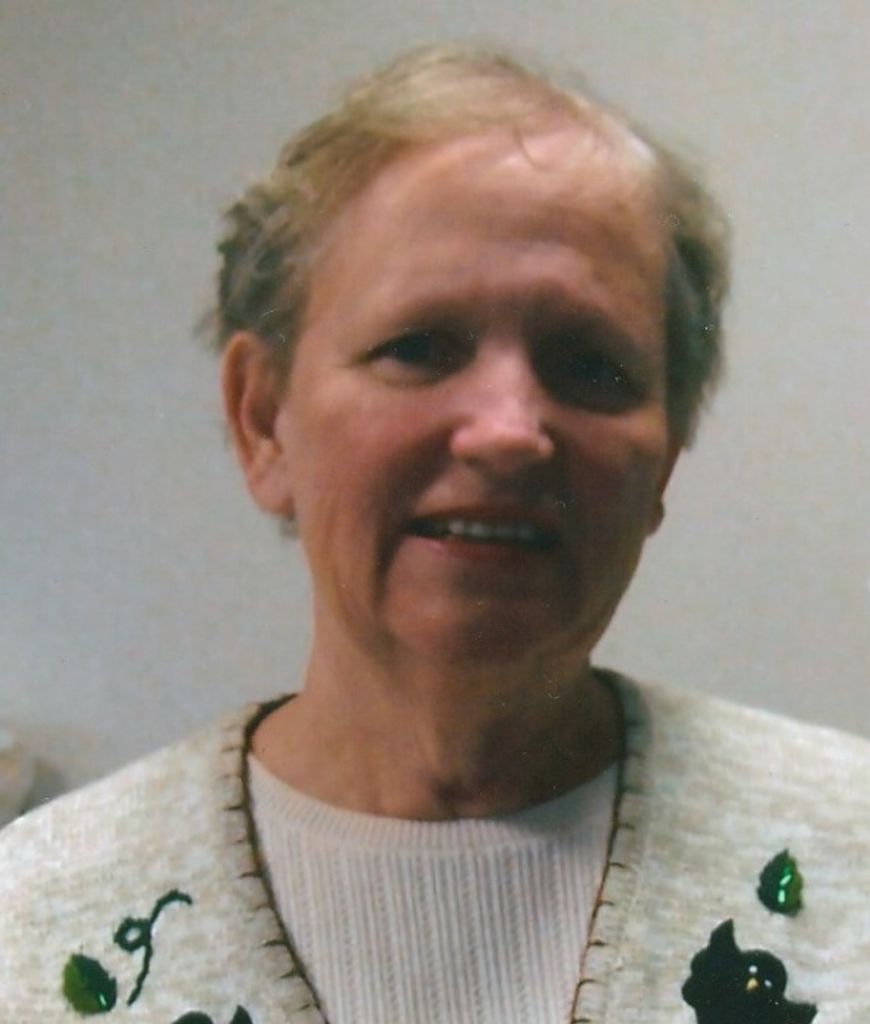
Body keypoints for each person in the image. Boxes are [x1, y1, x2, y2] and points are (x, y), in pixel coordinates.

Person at [2, 45, 869, 1024]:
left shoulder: (852, 855)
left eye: (592, 365)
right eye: (418, 347)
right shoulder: (31, 928)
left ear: (665, 457)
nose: (509, 431)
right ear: (264, 420)